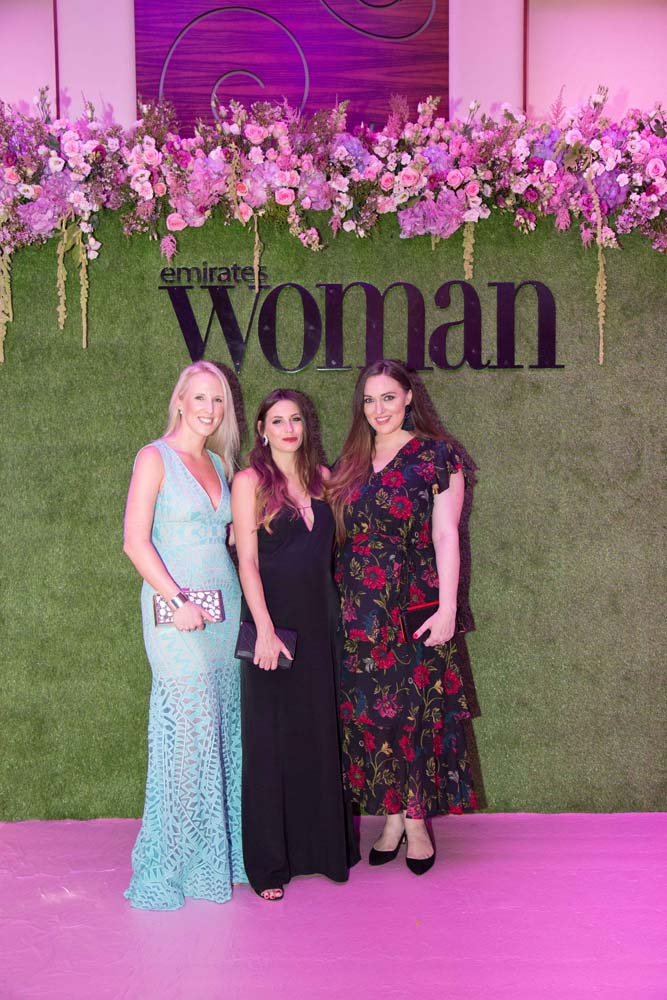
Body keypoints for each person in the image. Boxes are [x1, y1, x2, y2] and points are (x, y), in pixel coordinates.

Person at [328, 359, 477, 875]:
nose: (379, 409)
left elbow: (446, 535)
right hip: (356, 613)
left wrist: (448, 608)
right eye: (369, 400)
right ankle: (390, 819)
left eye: (388, 397)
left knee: (413, 716)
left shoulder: (437, 456)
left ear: (409, 397)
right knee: (373, 717)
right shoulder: (349, 461)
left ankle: (415, 824)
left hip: (413, 605)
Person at [123, 361, 247, 908]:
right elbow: (134, 541)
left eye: (218, 400)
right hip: (175, 615)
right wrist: (176, 601)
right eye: (200, 398)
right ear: (179, 401)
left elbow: (230, 539)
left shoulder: (219, 462)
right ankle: (168, 864)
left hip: (224, 612)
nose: (209, 409)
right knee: (186, 737)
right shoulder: (154, 457)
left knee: (220, 732)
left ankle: (215, 859)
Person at [231, 389, 359, 901]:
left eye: (296, 420)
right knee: (270, 742)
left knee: (316, 736)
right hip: (273, 625)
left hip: (320, 624)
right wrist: (263, 628)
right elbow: (247, 561)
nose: (288, 429)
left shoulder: (323, 479)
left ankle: (321, 852)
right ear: (262, 429)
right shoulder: (249, 482)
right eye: (278, 421)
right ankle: (269, 866)